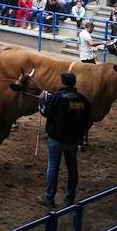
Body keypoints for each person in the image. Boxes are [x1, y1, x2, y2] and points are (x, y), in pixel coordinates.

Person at [36, 72, 92, 208]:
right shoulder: (81, 99)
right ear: (74, 82)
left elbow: (45, 112)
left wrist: (42, 100)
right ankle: (70, 196)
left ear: (62, 82)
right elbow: (87, 119)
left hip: (56, 138)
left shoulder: (56, 97)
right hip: (73, 140)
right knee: (72, 168)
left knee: (53, 167)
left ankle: (49, 197)